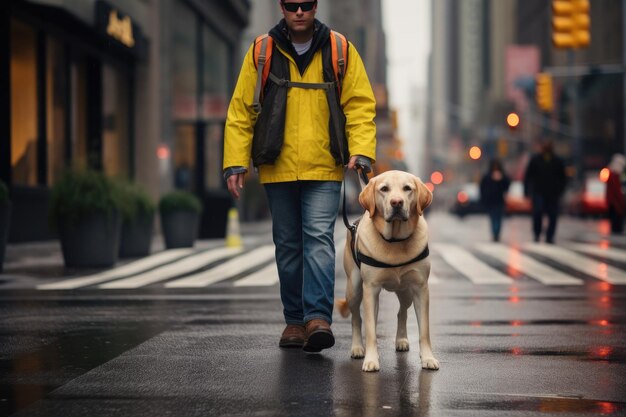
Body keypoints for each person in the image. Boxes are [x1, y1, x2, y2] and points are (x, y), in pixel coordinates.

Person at [223, 0, 376, 353]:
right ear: (281, 7)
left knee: (319, 240)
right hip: (277, 167)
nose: (299, 11)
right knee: (288, 247)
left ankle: (318, 319)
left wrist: (362, 150)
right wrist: (235, 162)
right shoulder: (262, 51)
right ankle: (294, 320)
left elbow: (360, 104)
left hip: (324, 167)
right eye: (292, 5)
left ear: (315, 6)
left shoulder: (340, 49)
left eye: (306, 4)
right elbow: (241, 109)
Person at [523, 141, 567, 244]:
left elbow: (563, 178)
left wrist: (560, 190)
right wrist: (527, 191)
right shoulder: (535, 160)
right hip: (538, 192)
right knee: (537, 213)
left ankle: (550, 236)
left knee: (553, 215)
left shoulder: (557, 161)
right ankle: (537, 233)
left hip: (553, 193)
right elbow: (528, 176)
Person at [480, 159, 510, 242]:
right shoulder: (487, 177)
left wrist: (501, 179)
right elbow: (482, 188)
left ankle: (497, 233)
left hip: (500, 200)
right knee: (493, 218)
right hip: (491, 201)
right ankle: (495, 233)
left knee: (499, 218)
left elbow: (507, 185)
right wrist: (484, 199)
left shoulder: (503, 176)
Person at [605, 153, 626, 234]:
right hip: (615, 202)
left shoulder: (612, 173)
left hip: (612, 201)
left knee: (615, 220)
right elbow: (617, 190)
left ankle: (616, 230)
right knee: (617, 219)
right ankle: (617, 230)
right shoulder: (615, 174)